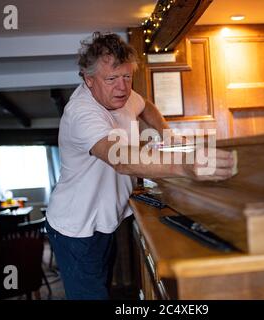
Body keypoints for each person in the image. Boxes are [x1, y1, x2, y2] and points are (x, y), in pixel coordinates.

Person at [45, 32, 235, 300]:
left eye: (127, 76)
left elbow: (146, 107)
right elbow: (121, 158)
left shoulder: (123, 96)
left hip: (104, 221)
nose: (122, 87)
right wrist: (186, 165)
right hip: (74, 228)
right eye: (111, 79)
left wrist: (166, 132)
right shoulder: (82, 113)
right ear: (88, 80)